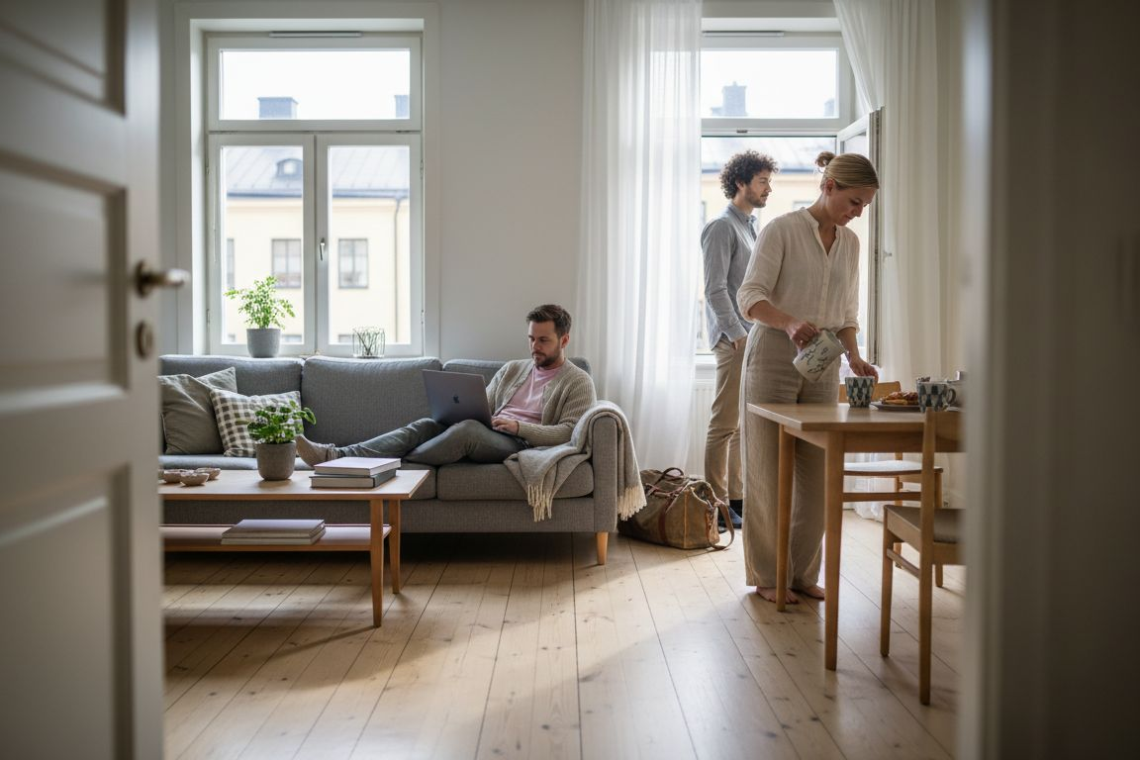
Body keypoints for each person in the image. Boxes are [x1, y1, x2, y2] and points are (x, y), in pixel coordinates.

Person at [736, 152, 880, 604]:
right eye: (854, 202)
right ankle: (767, 574)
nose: (857, 213)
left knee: (817, 476)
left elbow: (847, 315)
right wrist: (788, 323)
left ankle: (800, 573)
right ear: (830, 186)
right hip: (773, 356)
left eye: (864, 208)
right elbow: (749, 297)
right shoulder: (781, 230)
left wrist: (854, 357)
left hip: (823, 360)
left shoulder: (851, 245)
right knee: (765, 470)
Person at [295, 304, 596, 466]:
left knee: (466, 431)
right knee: (426, 425)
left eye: (543, 340)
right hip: (490, 431)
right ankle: (335, 455)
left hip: (520, 444)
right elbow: (484, 406)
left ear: (564, 340)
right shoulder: (513, 369)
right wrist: (469, 411)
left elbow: (569, 432)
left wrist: (519, 428)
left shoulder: (578, 380)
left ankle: (393, 459)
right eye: (531, 339)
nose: (534, 347)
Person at [702, 150, 778, 531]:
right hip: (733, 340)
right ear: (741, 183)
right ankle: (714, 506)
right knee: (723, 424)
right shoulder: (721, 227)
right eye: (762, 181)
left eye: (768, 181)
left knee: (736, 426)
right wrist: (737, 335)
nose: (769, 188)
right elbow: (715, 290)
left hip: (747, 338)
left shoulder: (750, 226)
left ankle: (734, 500)